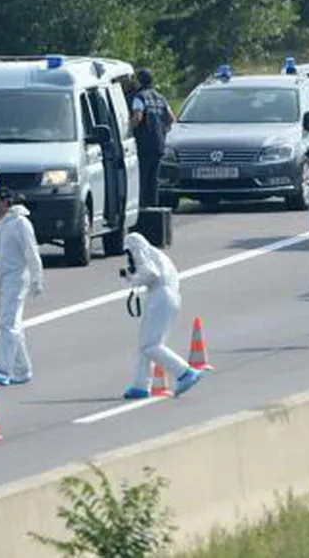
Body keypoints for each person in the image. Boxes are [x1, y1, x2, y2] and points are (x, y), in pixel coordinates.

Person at [0, 188, 44, 385]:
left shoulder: (21, 223)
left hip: (17, 278)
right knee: (12, 325)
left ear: (5, 202)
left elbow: (31, 251)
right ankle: (22, 369)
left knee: (7, 323)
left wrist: (37, 278)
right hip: (0, 280)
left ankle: (3, 368)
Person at [120, 232, 204, 398]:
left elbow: (151, 274)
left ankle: (184, 372)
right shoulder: (158, 255)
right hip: (168, 295)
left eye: (129, 252)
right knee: (146, 342)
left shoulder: (142, 252)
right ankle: (140, 385)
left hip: (161, 296)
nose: (130, 256)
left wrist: (133, 278)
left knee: (150, 344)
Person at [130, 69, 174, 207]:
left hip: (145, 143)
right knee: (154, 179)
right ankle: (154, 207)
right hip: (159, 143)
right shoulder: (160, 97)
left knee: (143, 177)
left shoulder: (140, 97)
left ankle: (143, 208)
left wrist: (127, 129)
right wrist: (162, 130)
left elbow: (138, 118)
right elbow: (171, 118)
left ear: (139, 81)